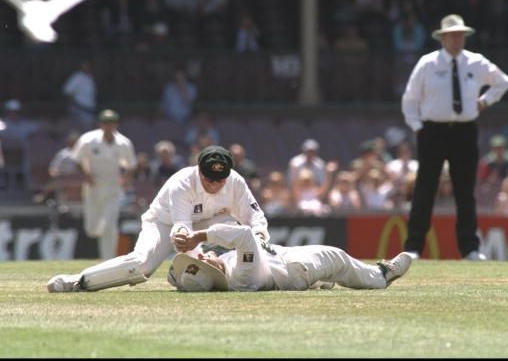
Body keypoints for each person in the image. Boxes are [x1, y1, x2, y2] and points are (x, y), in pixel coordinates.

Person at [47, 145, 270, 293]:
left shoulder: (235, 182)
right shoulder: (182, 182)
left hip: (208, 222)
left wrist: (260, 237)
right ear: (199, 170)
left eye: (220, 180)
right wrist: (184, 241)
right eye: (209, 179)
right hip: (164, 223)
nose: (214, 185)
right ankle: (78, 280)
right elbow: (181, 226)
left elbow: (254, 216)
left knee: (233, 230)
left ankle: (208, 273)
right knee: (141, 265)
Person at [401, 14, 508, 261]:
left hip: (464, 130)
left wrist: (485, 101)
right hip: (432, 130)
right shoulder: (428, 64)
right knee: (425, 189)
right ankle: (414, 247)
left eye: (461, 34)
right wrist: (418, 127)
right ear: (443, 38)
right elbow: (410, 99)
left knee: (464, 190)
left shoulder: (476, 62)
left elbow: (503, 82)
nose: (457, 39)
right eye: (452, 35)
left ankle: (470, 248)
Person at [169, 223, 413, 292]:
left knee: (329, 272)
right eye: (204, 261)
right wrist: (198, 236)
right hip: (294, 269)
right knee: (337, 258)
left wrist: (180, 275)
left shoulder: (219, 272)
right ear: (216, 272)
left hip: (280, 258)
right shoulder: (240, 278)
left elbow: (180, 277)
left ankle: (322, 283)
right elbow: (244, 234)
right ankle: (382, 275)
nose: (202, 255)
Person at [70, 109, 137, 260]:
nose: (108, 126)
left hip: (113, 187)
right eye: (106, 123)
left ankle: (108, 259)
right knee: (92, 229)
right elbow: (77, 159)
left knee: (109, 225)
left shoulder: (123, 143)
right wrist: (86, 175)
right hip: (93, 187)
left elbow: (131, 165)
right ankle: (99, 231)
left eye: (111, 123)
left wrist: (126, 179)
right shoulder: (88, 140)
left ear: (116, 124)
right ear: (100, 124)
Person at [62, 59, 97, 129]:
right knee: (78, 131)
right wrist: (76, 107)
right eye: (85, 65)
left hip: (89, 110)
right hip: (79, 109)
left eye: (88, 65)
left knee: (88, 130)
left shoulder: (89, 78)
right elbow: (68, 92)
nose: (87, 67)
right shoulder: (77, 77)